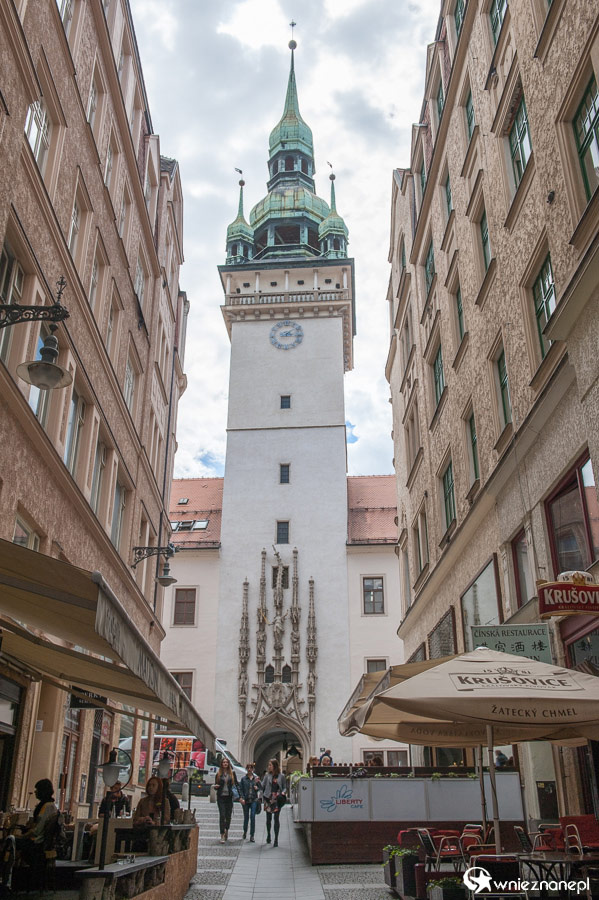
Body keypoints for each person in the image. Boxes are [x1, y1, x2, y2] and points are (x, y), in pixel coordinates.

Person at [1, 779, 58, 889]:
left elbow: (37, 830)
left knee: (10, 840)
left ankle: (7, 878)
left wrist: (22, 836)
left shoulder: (46, 807)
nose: (35, 792)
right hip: (40, 842)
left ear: (43, 791)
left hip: (37, 843)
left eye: (37, 790)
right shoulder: (50, 806)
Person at [262, 758, 286, 848]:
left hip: (277, 799)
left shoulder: (281, 776)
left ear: (274, 766)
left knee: (276, 819)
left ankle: (276, 839)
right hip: (268, 799)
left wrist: (283, 792)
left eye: (270, 765)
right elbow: (263, 785)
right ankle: (268, 835)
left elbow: (284, 787)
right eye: (268, 765)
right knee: (268, 819)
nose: (269, 767)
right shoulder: (267, 776)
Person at [214, 757, 237, 843]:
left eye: (226, 762)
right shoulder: (218, 774)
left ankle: (227, 829)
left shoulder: (232, 774)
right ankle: (222, 834)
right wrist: (216, 787)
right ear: (221, 764)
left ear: (228, 764)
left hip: (229, 797)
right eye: (223, 762)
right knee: (222, 815)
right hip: (221, 797)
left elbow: (236, 785)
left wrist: (240, 796)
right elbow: (215, 784)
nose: (225, 764)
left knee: (228, 816)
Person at [239, 762, 262, 842]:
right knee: (246, 817)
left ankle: (252, 835)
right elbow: (240, 789)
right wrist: (241, 798)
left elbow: (261, 788)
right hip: (246, 799)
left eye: (251, 768)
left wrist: (257, 788)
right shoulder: (243, 779)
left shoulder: (256, 779)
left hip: (253, 799)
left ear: (253, 769)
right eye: (248, 768)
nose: (249, 769)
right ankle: (245, 831)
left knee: (252, 816)